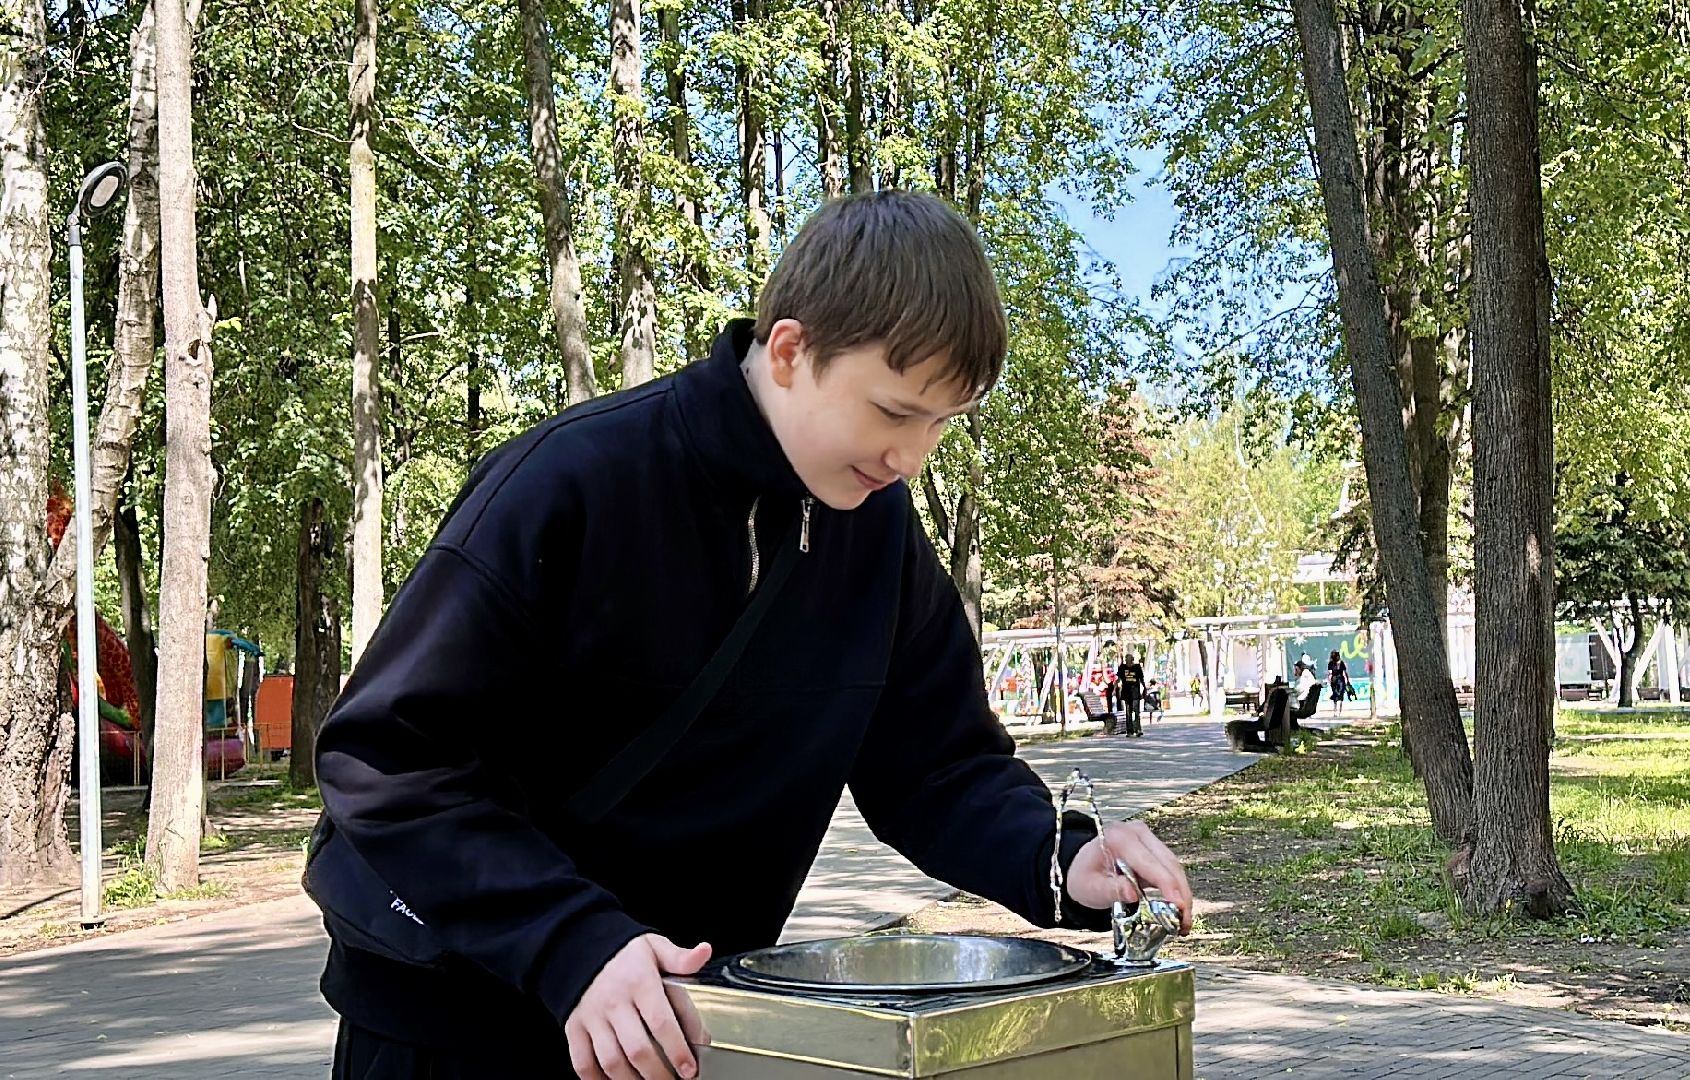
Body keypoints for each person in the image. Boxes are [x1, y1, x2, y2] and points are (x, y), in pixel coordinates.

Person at [310, 192, 1194, 1080]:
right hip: (454, 1020)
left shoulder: (877, 531)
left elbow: (938, 767)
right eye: (892, 412)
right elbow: (386, 753)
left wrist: (1066, 857)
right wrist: (570, 943)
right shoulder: (575, 482)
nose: (910, 458)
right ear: (789, 351)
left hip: (683, 1027)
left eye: (938, 424)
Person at [1115, 653, 1147, 737]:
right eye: (1126, 660)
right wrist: (1114, 688)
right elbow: (1119, 679)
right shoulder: (1122, 667)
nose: (1128, 662)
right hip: (1126, 693)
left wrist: (1144, 688)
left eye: (1129, 660)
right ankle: (1129, 730)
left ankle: (1138, 729)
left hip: (1135, 692)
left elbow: (1141, 678)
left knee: (1136, 712)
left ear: (1132, 660)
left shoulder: (1137, 667)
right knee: (1128, 712)